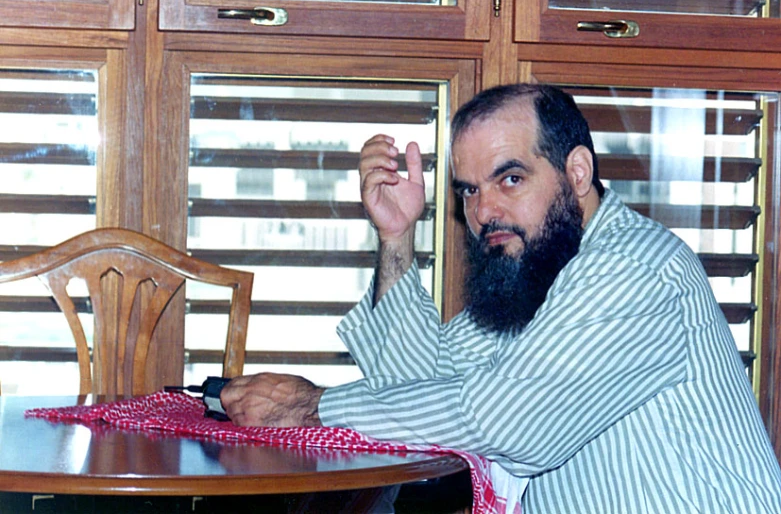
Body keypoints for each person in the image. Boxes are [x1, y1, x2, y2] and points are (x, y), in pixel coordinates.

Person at [221, 83, 781, 512]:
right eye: (469, 189)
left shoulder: (632, 269)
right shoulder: (536, 266)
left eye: (509, 179)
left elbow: (508, 422)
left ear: (577, 172)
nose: (484, 210)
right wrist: (396, 237)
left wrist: (313, 407)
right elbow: (419, 381)